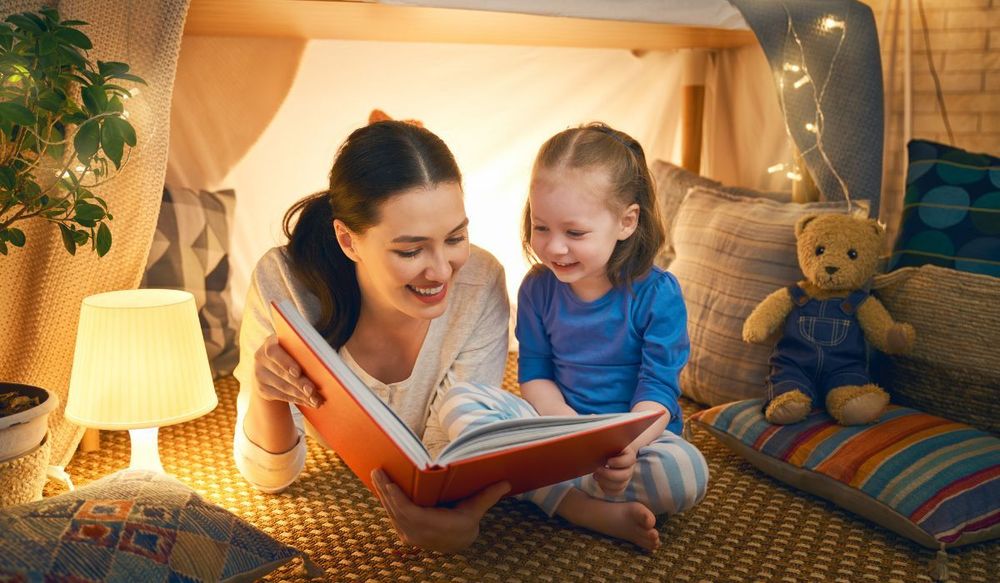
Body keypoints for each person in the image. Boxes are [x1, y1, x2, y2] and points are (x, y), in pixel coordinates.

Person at [232, 120, 512, 552]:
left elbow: (450, 455)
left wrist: (460, 515)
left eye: (456, 237)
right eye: (410, 250)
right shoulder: (285, 284)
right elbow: (269, 476)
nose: (440, 270)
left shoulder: (480, 282)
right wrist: (267, 391)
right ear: (347, 240)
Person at [437, 123, 709, 551]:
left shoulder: (658, 295)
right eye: (541, 227)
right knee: (457, 401)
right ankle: (578, 506)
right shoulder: (537, 288)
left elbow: (658, 394)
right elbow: (535, 374)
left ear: (626, 222)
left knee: (686, 474)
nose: (554, 248)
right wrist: (567, 433)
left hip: (635, 440)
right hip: (556, 426)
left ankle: (537, 487)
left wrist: (624, 449)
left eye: (574, 233)